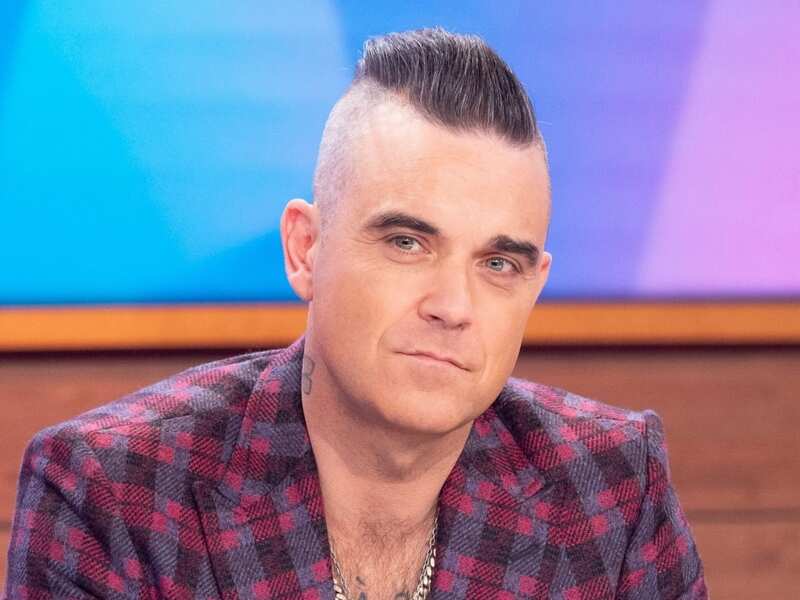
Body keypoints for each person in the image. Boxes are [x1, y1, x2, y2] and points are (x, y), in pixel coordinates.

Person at [6, 28, 706, 599]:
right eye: (407, 243)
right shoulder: (110, 493)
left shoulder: (613, 487)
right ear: (305, 250)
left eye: (498, 264)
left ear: (535, 285)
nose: (453, 307)